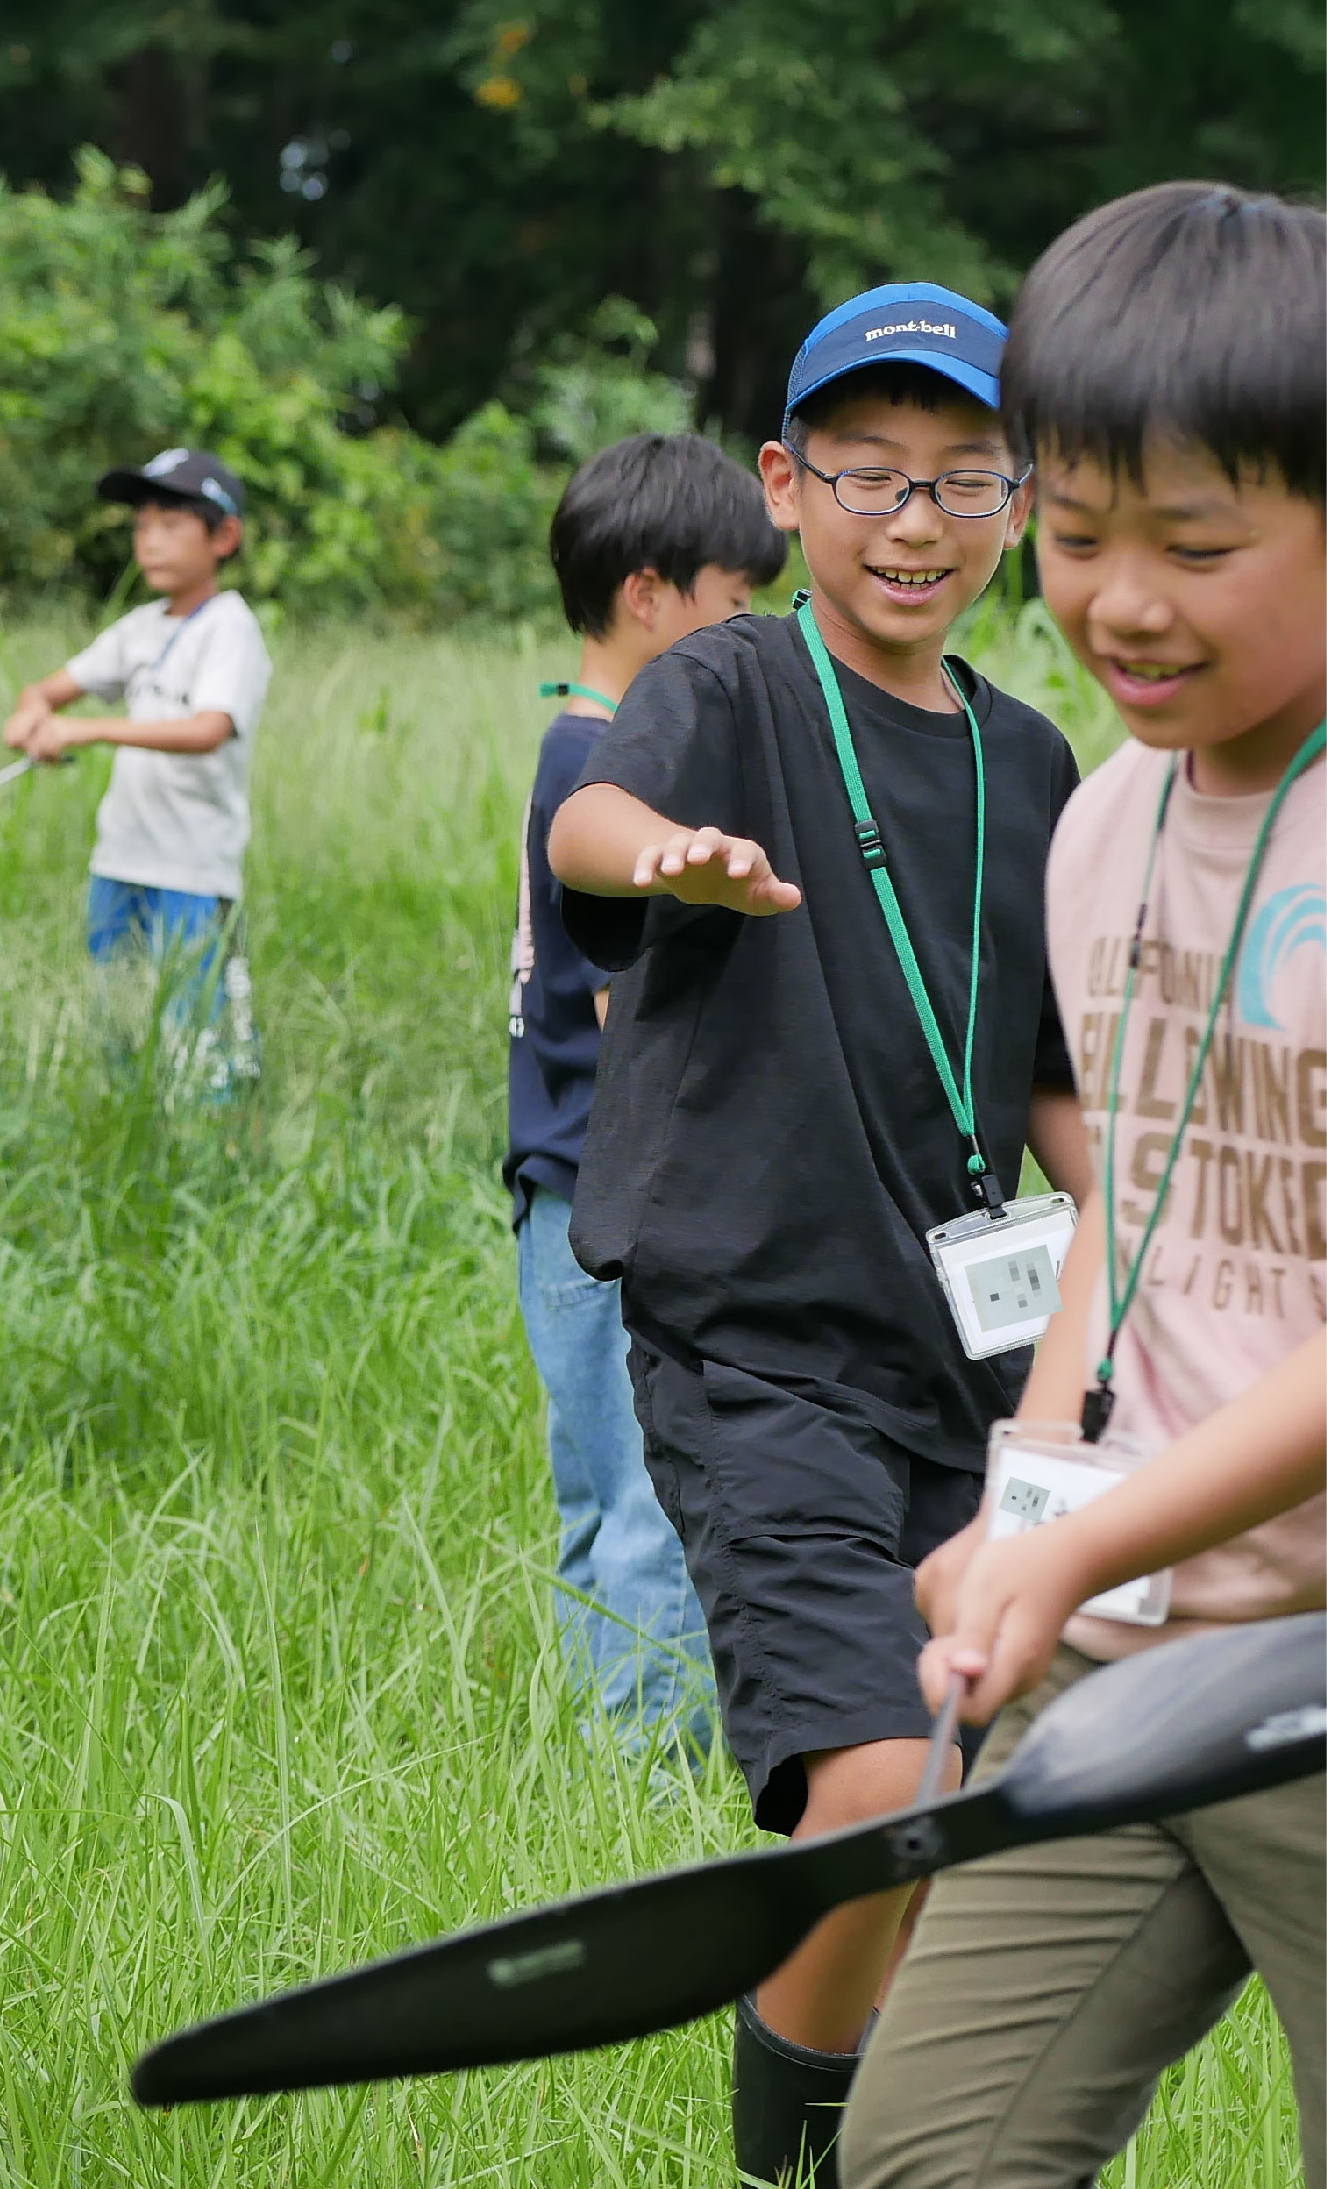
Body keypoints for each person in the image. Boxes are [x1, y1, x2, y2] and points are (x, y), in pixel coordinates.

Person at [544, 284, 1092, 2188]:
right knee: (876, 1780)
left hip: (983, 1362)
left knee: (976, 1814)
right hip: (757, 1338)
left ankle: (914, 2141)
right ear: (787, 487)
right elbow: (589, 820)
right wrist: (671, 856)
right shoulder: (736, 689)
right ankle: (790, 2155)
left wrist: (1184, 1222)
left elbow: (1046, 1075)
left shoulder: (1038, 769)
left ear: (1018, 502)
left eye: (962, 477)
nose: (916, 521)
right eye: (869, 475)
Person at [847, 181, 1327, 2189]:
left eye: (1194, 543)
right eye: (1072, 532)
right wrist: (1021, 1530)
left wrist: (1082, 1534)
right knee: (922, 2158)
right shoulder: (1100, 816)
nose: (1119, 599)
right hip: (1129, 1671)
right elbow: (1117, 1237)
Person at [506, 433, 781, 1755]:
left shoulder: (574, 746)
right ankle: (650, 1763)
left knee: (592, 1488)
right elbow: (635, 1015)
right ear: (650, 594)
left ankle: (602, 1733)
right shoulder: (616, 768)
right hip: (617, 1192)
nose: (750, 633)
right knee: (651, 1496)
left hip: (551, 1175)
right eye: (738, 602)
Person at [0, 447, 276, 1091]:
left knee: (201, 1040)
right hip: (119, 860)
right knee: (118, 1019)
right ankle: (130, 1133)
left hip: (191, 869)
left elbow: (209, 729)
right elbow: (45, 692)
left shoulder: (230, 629)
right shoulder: (139, 628)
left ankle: (219, 1148)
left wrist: (88, 728)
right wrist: (30, 718)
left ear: (224, 536)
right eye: (142, 524)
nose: (151, 541)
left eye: (173, 524)